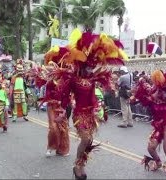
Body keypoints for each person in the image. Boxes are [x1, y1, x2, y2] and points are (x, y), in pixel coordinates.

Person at [30, 29, 127, 180]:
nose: (90, 68)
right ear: (81, 65)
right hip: (79, 114)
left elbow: (93, 96)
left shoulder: (93, 79)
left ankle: (80, 166)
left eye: (91, 66)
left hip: (90, 114)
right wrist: (62, 110)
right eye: (88, 66)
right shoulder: (72, 79)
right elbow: (64, 95)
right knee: (86, 139)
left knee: (88, 141)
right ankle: (77, 165)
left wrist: (97, 109)